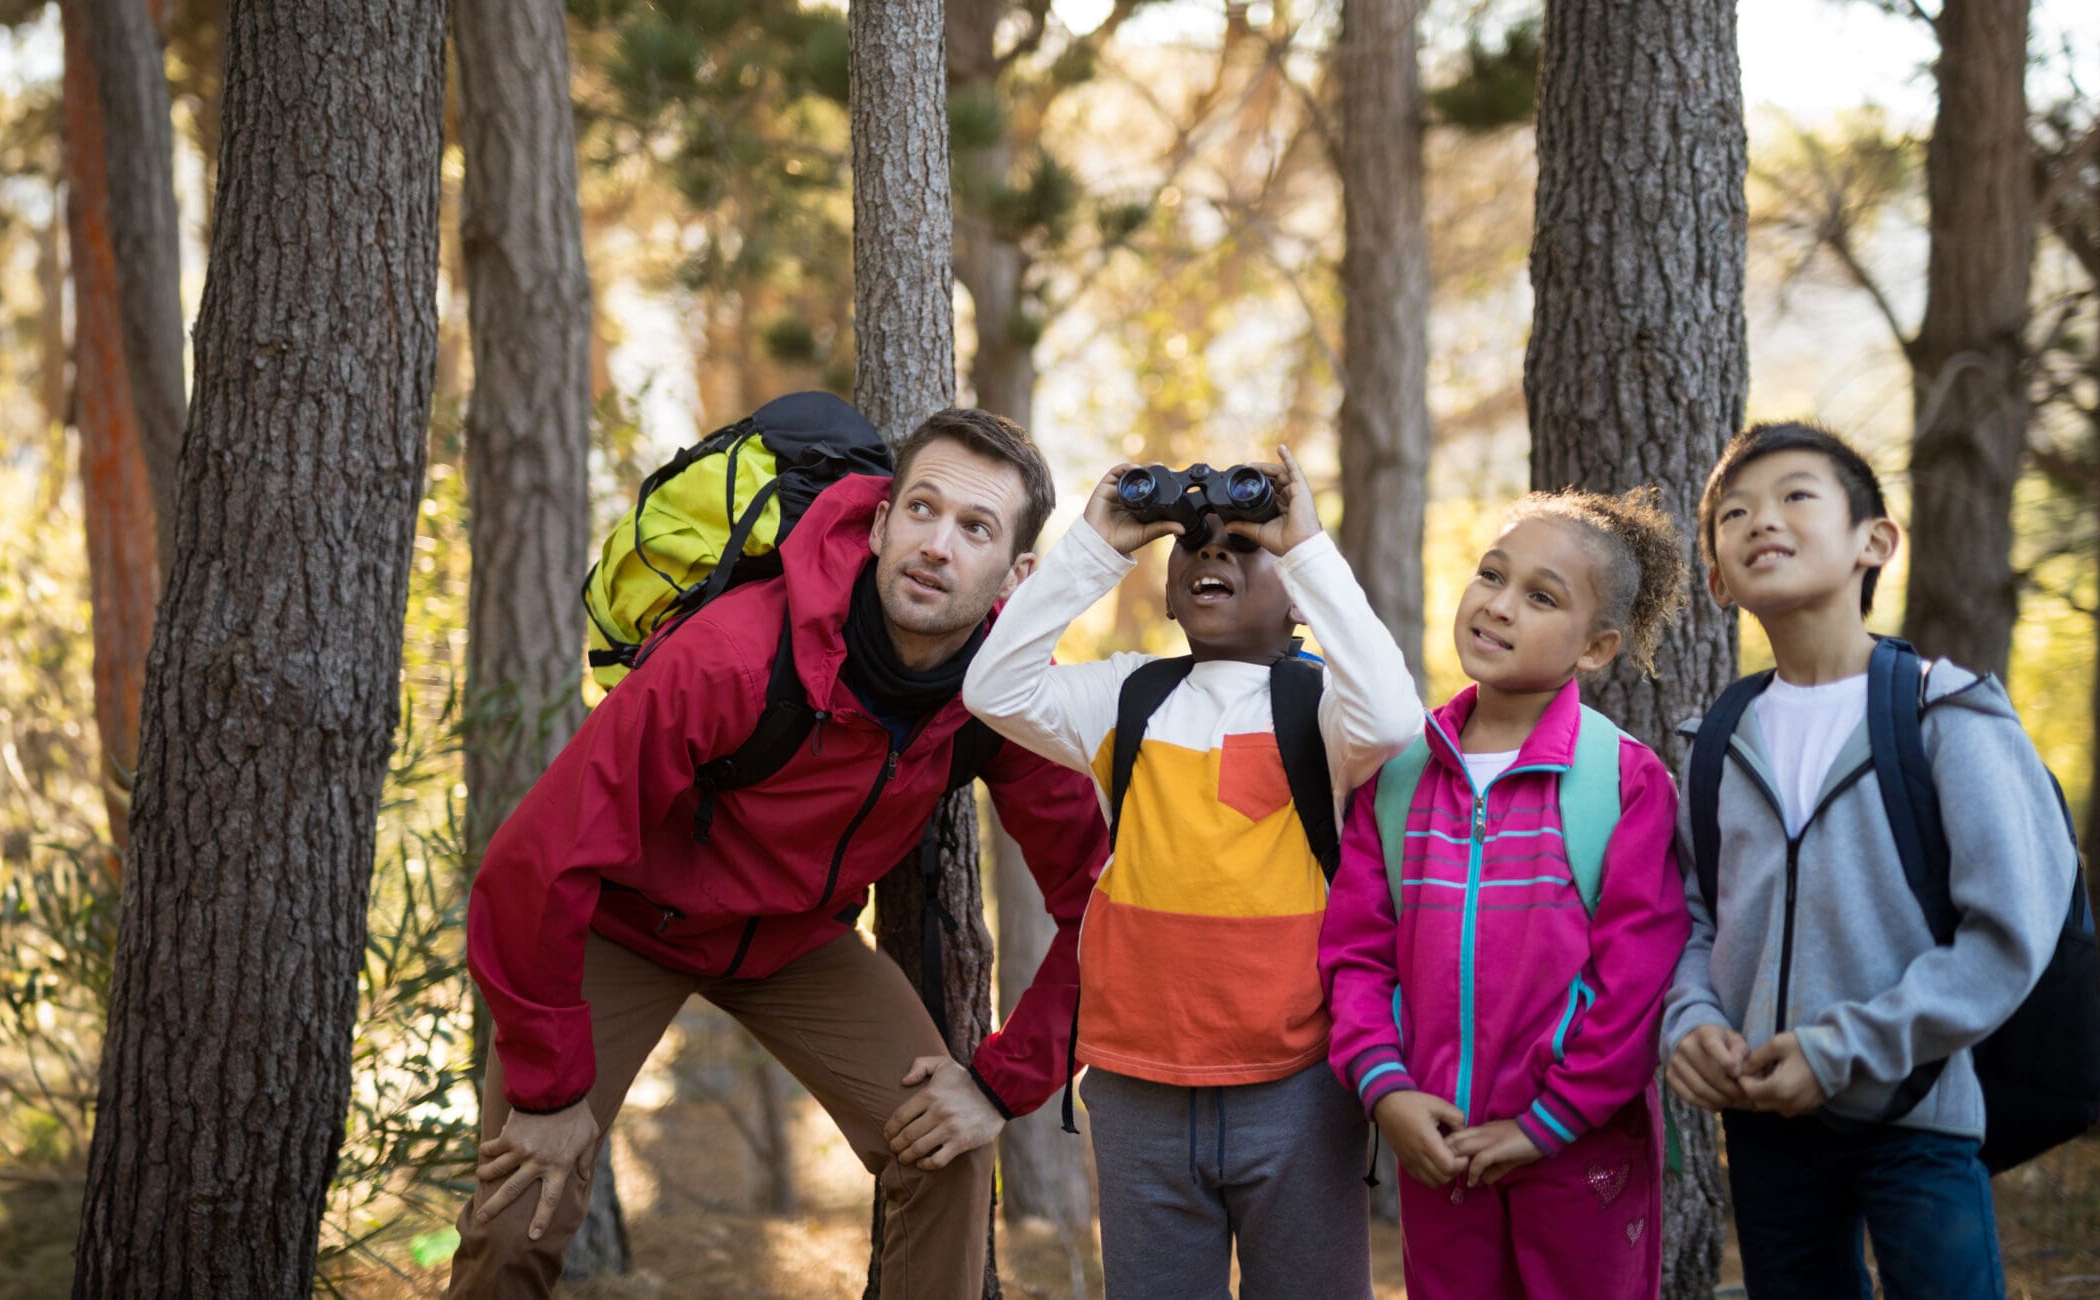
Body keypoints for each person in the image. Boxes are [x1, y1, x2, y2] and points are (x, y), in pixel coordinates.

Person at [449, 408, 1112, 1299]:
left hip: (794, 943)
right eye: (921, 510)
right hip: (625, 925)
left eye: (975, 528)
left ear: (1016, 574)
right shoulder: (729, 657)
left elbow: (1106, 904)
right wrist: (547, 1088)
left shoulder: (1006, 699)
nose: (937, 546)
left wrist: (1001, 1084)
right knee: (524, 1199)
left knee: (948, 1151)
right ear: (880, 523)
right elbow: (535, 862)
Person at [962, 447, 1423, 1299]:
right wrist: (1097, 547)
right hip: (1138, 1092)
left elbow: (1396, 717)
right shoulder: (1125, 697)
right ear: (1170, 589)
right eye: (1196, 542)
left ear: (1297, 597)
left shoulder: (1320, 708)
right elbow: (992, 688)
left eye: (1247, 545)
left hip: (1297, 1087)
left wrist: (1306, 546)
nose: (1214, 552)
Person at [1661, 421, 2076, 1299]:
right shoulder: (1712, 746)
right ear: (1718, 580)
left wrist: (1846, 1048)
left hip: (1918, 1115)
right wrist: (1688, 1021)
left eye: (1796, 496)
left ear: (1874, 541)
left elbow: (2007, 933)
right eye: (1735, 513)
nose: (1761, 519)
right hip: (1764, 1123)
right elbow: (1696, 918)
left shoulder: (1948, 715)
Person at [1320, 487, 1692, 1300]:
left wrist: (1545, 1123)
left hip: (1579, 1156)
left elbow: (1636, 984)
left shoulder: (1621, 781)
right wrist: (1386, 1091)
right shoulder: (1398, 777)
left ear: (1596, 648)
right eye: (1493, 575)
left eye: (1540, 596)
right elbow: (1354, 957)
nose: (1498, 605)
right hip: (1437, 1149)